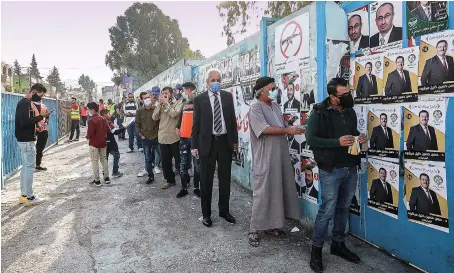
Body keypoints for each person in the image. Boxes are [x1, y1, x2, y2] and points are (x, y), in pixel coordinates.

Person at [306, 78, 366, 271]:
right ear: (333, 97)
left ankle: (338, 244)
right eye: (344, 95)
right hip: (330, 169)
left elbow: (351, 132)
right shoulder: (319, 113)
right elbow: (311, 139)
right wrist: (336, 142)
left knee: (344, 207)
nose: (348, 96)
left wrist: (359, 137)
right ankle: (316, 250)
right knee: (327, 210)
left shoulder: (349, 111)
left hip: (350, 167)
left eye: (349, 92)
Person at [247, 76, 302, 247]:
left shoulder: (275, 105)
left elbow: (279, 123)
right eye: (271, 88)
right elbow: (265, 129)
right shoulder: (255, 108)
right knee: (263, 192)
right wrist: (287, 129)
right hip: (265, 156)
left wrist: (290, 124)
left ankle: (272, 225)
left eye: (275, 87)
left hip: (280, 155)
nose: (275, 90)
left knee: (277, 191)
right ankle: (254, 228)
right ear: (262, 90)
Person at [192, 68, 238, 228]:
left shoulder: (227, 97)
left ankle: (224, 211)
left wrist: (235, 142)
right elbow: (195, 125)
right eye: (213, 80)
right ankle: (206, 214)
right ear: (207, 83)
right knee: (206, 181)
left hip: (224, 143)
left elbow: (232, 121)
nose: (216, 83)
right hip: (207, 144)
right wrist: (193, 145)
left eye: (218, 80)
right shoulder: (199, 100)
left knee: (225, 179)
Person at [15, 83, 49, 206]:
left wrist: (37, 124)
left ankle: (24, 195)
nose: (41, 98)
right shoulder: (24, 104)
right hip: (27, 140)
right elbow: (25, 123)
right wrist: (40, 117)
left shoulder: (24, 103)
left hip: (24, 139)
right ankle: (29, 197)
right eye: (40, 95)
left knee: (25, 167)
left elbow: (27, 121)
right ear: (34, 92)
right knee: (29, 167)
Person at [152, 86, 183, 189]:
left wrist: (166, 104)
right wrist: (160, 105)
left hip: (174, 137)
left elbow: (174, 114)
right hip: (163, 137)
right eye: (163, 93)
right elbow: (154, 117)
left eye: (166, 93)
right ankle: (170, 180)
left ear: (171, 93)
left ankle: (185, 181)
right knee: (166, 162)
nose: (164, 95)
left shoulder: (178, 103)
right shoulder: (160, 104)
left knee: (179, 160)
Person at [175, 82, 201, 198]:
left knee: (197, 165)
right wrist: (177, 127)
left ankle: (197, 188)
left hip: (196, 140)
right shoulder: (184, 104)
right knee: (183, 165)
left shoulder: (199, 102)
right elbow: (180, 119)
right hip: (184, 139)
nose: (183, 93)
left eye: (184, 90)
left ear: (189, 91)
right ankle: (184, 188)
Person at [136, 92, 160, 184]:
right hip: (145, 138)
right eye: (145, 98)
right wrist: (140, 134)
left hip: (157, 137)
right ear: (141, 100)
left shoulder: (155, 109)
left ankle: (168, 177)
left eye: (148, 97)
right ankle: (151, 176)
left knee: (163, 156)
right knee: (147, 158)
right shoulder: (139, 111)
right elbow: (137, 124)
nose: (148, 99)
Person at [86, 102, 110, 186]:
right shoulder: (103, 119)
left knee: (94, 161)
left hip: (94, 144)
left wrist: (87, 137)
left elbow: (90, 134)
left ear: (92, 110)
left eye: (88, 109)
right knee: (104, 159)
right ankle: (106, 178)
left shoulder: (91, 121)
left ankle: (97, 180)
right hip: (103, 143)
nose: (88, 111)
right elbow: (108, 130)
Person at [100, 109, 126, 178]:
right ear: (105, 115)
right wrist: (124, 127)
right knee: (116, 156)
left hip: (103, 143)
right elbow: (116, 132)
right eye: (108, 113)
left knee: (105, 159)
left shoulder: (99, 122)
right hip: (111, 143)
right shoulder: (109, 123)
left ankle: (104, 173)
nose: (110, 114)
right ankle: (115, 171)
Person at [32, 99, 49, 171]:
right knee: (30, 148)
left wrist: (46, 122)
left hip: (43, 129)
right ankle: (30, 165)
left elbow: (47, 117)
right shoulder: (30, 105)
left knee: (40, 149)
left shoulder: (44, 106)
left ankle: (38, 165)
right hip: (32, 129)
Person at [151, 86, 162, 174]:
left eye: (156, 93)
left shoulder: (162, 101)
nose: (155, 95)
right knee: (156, 149)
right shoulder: (150, 102)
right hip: (153, 129)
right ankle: (156, 165)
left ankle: (157, 164)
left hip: (161, 128)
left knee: (159, 148)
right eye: (154, 93)